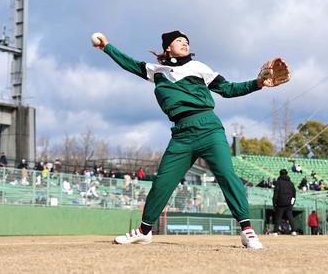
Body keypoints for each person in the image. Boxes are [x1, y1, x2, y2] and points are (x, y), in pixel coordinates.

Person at [92, 31, 288, 249]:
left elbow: (229, 89)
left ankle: (247, 230)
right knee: (162, 182)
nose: (185, 43)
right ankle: (144, 231)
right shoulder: (156, 71)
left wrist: (258, 83)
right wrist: (107, 47)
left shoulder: (199, 67)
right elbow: (129, 63)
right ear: (168, 48)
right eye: (179, 41)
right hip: (181, 134)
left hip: (208, 127)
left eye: (187, 41)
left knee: (227, 176)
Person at [272, 169, 297, 235]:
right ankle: (294, 231)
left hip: (280, 203)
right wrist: (292, 204)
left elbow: (275, 194)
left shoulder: (278, 182)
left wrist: (274, 204)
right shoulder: (291, 183)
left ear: (280, 174)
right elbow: (294, 195)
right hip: (289, 203)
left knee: (278, 218)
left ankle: (275, 232)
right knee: (290, 217)